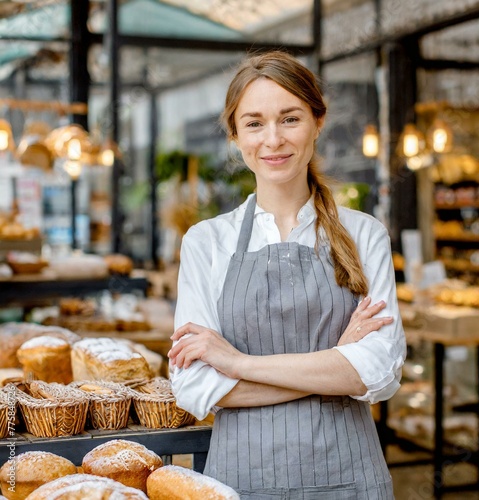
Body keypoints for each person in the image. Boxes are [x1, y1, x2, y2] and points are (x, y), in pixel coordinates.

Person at [168, 50, 406, 499]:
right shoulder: (206, 242)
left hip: (350, 478)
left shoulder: (364, 234)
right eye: (254, 123)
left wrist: (237, 364)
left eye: (290, 118)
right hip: (241, 482)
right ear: (236, 135)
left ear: (318, 121)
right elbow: (195, 385)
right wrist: (335, 362)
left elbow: (377, 372)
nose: (273, 139)